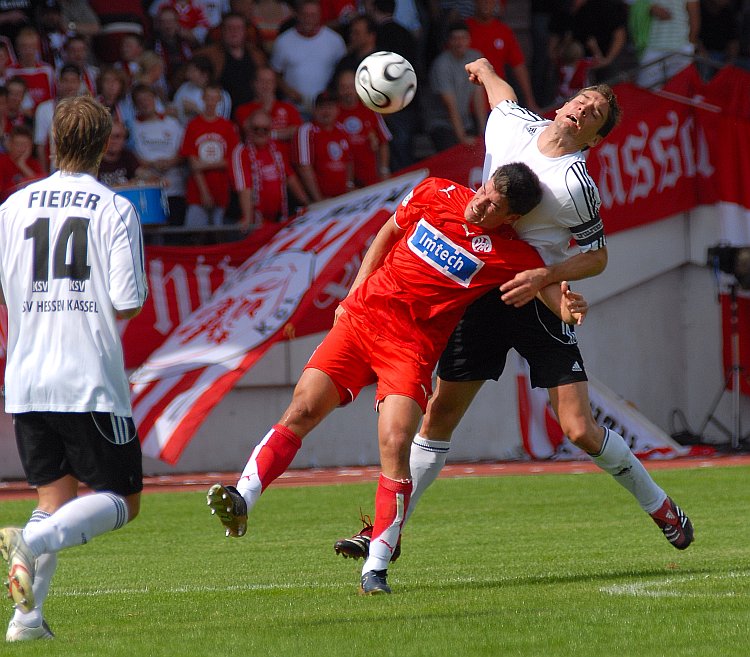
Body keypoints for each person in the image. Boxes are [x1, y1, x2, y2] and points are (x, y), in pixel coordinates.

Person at [333, 56, 694, 563]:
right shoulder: (512, 125)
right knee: (439, 416)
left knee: (579, 429)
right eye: (581, 101)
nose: (582, 110)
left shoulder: (575, 185)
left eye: (593, 114)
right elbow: (502, 95)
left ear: (594, 139)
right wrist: (484, 70)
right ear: (562, 106)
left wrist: (548, 278)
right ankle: (386, 534)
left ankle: (661, 507)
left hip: (538, 298)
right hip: (482, 289)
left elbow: (597, 256)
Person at [206, 162, 589, 596]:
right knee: (303, 408)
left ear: (512, 218)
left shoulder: (510, 252)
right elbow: (389, 230)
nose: (480, 204)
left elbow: (547, 288)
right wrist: (356, 289)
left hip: (409, 349)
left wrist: (569, 307)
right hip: (361, 321)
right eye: (484, 192)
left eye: (493, 206)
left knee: (395, 443)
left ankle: (376, 568)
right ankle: (242, 498)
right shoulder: (436, 192)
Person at [0, 95, 147, 641]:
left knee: (53, 500)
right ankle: (31, 543)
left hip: (27, 377)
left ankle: (26, 621)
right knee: (123, 500)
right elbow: (128, 301)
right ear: (105, 144)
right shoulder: (114, 208)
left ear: (52, 141)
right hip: (87, 377)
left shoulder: (13, 207)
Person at [230, 107, 309, 229]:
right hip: (255, 221)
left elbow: (290, 178)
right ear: (248, 129)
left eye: (265, 129)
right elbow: (244, 188)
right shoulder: (241, 152)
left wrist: (307, 203)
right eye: (256, 129)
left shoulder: (276, 149)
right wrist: (248, 219)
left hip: (278, 218)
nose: (260, 133)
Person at [269, 0, 346, 117]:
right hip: (294, 109)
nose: (308, 19)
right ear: (297, 15)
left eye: (313, 15)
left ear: (320, 16)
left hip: (326, 110)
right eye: (305, 15)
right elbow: (275, 73)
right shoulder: (283, 41)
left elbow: (343, 73)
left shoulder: (335, 41)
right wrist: (289, 91)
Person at [180, 82, 240, 228]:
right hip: (197, 190)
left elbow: (232, 161)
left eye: (214, 98)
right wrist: (204, 192)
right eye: (208, 98)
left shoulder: (227, 127)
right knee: (194, 232)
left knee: (220, 232)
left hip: (221, 189)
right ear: (203, 98)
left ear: (219, 100)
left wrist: (204, 164)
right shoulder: (193, 125)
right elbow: (193, 163)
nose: (211, 102)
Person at [427, 21, 487, 151]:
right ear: (449, 42)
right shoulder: (441, 64)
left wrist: (484, 132)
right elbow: (450, 106)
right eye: (455, 39)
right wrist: (462, 138)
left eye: (463, 38)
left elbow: (478, 97)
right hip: (441, 124)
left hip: (466, 121)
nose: (459, 42)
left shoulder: (475, 58)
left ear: (469, 39)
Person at [334, 68, 391, 187]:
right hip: (344, 181)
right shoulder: (333, 113)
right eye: (344, 87)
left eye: (351, 87)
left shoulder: (370, 110)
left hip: (370, 176)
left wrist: (384, 170)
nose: (348, 91)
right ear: (338, 89)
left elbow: (383, 141)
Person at [293, 90, 353, 202]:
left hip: (343, 197)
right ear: (314, 110)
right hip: (323, 200)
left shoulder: (341, 129)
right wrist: (318, 199)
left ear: (337, 109)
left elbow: (348, 161)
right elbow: (304, 167)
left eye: (330, 107)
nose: (326, 111)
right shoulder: (306, 131)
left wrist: (349, 185)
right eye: (322, 107)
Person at [635, 0, 700, 88]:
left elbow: (694, 18)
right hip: (652, 46)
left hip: (681, 47)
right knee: (646, 89)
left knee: (678, 90)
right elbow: (634, 5)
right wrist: (650, 8)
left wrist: (689, 46)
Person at [0, 124, 42, 200]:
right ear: (10, 144)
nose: (22, 149)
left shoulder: (34, 163)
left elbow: (41, 188)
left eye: (26, 145)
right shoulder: (2, 161)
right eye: (18, 144)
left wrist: (22, 165)